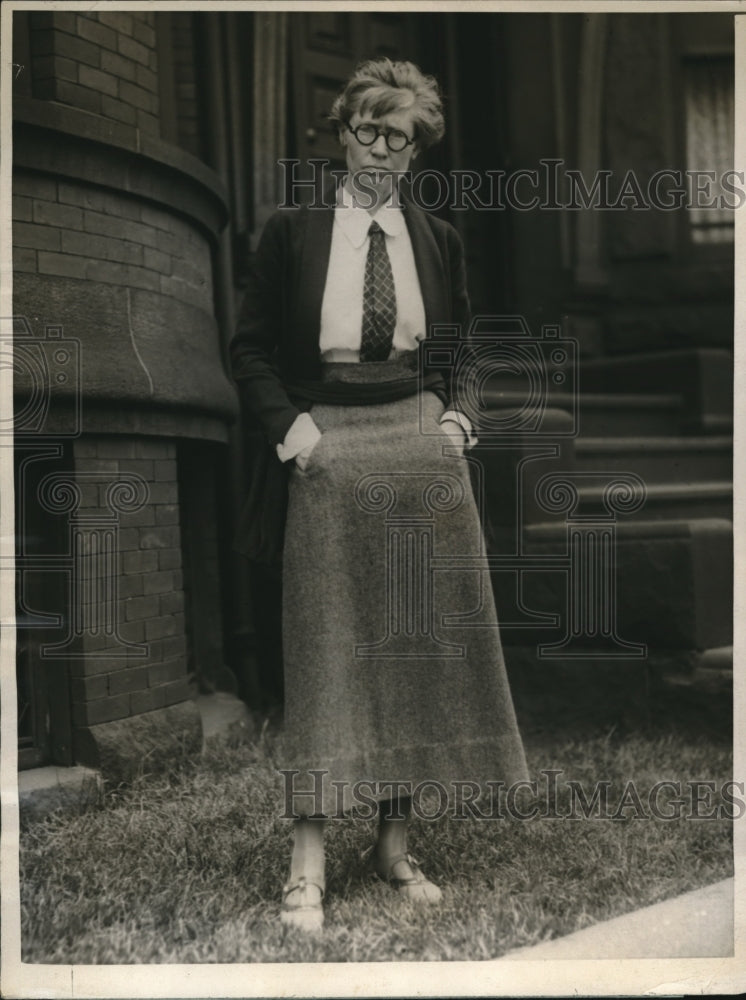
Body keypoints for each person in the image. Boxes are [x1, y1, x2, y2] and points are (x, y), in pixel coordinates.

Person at [231, 58, 528, 933]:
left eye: (398, 138)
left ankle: (395, 846)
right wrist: (298, 434)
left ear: (414, 151)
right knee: (326, 643)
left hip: (417, 443)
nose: (380, 151)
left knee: (410, 642)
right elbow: (248, 350)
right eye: (368, 129)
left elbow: (463, 350)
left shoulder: (435, 237)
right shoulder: (291, 231)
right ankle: (307, 864)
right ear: (342, 130)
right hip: (328, 442)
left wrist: (459, 425)